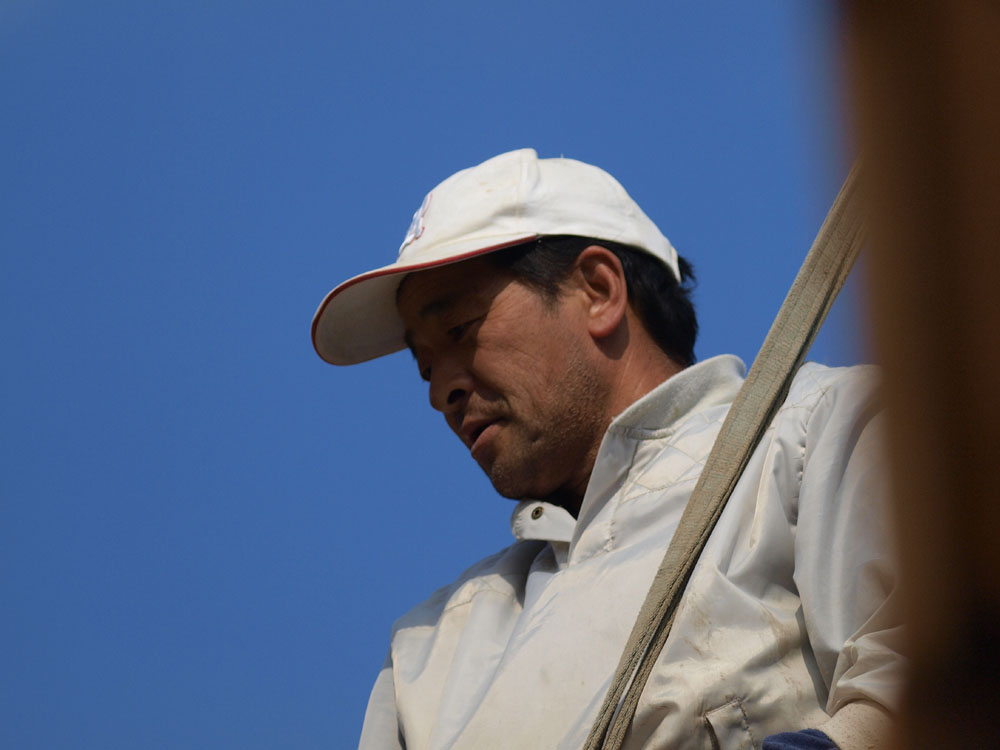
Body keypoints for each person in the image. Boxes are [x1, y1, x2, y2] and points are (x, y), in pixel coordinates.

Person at [312, 149, 903, 750]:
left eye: (460, 330)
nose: (441, 391)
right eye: (424, 366)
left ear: (598, 290)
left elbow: (932, 681)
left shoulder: (819, 434)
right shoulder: (425, 656)